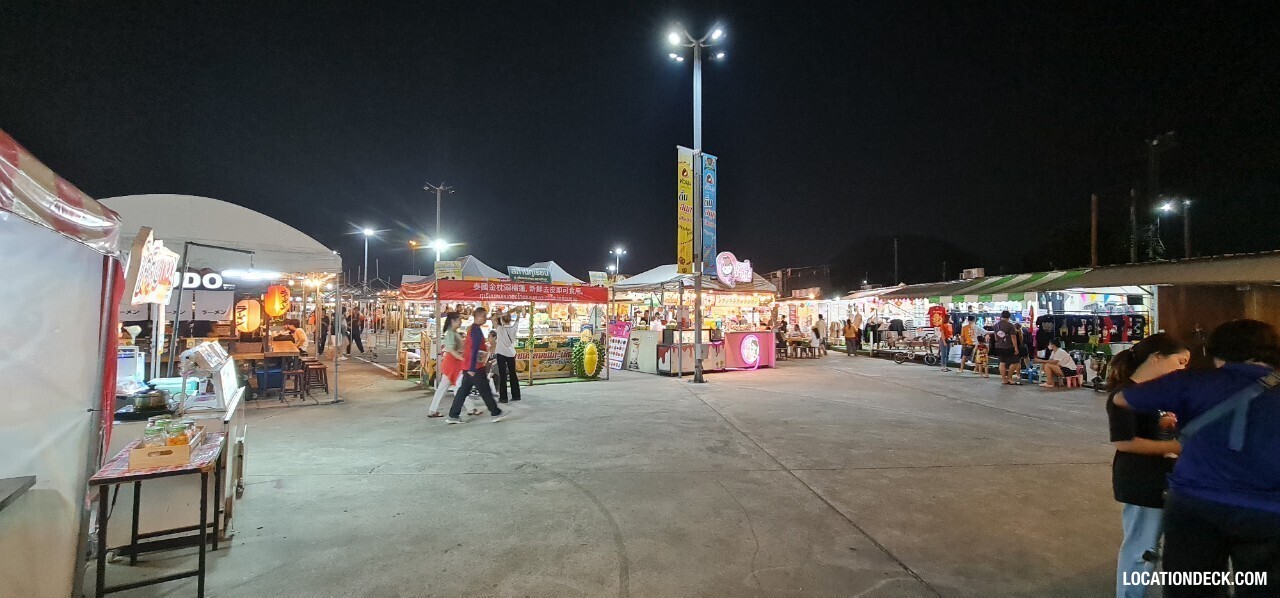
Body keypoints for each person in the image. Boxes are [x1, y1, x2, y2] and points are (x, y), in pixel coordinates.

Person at [1114, 320, 1280, 597]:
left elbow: (1122, 399)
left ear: (1217, 351)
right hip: (1267, 511)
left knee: (1194, 587)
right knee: (1262, 587)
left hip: (1194, 507)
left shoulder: (1193, 381)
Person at [1105, 333, 1189, 598]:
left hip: (1161, 479)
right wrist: (1176, 447)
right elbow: (1124, 442)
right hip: (1142, 481)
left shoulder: (1151, 392)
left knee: (1151, 545)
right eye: (1180, 362)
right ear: (1157, 358)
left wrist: (1162, 424)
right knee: (1142, 547)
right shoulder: (1126, 394)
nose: (1182, 369)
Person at [446, 307, 509, 424]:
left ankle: (453, 415)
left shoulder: (473, 329)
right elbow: (474, 349)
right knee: (485, 391)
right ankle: (495, 412)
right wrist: (473, 368)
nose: (486, 319)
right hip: (474, 367)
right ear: (478, 316)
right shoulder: (475, 330)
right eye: (484, 316)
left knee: (463, 391)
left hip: (469, 366)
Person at [428, 312, 463, 418]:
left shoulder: (453, 333)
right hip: (453, 363)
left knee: (450, 387)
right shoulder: (451, 333)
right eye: (459, 319)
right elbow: (451, 349)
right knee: (459, 386)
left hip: (453, 363)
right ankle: (471, 409)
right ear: (453, 321)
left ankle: (432, 410)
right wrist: (461, 357)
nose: (461, 322)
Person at [493, 307, 522, 403]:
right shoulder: (514, 328)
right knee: (513, 374)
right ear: (510, 320)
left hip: (501, 353)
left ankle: (503, 397)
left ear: (501, 320)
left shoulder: (499, 329)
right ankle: (516, 395)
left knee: (502, 375)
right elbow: (518, 319)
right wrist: (517, 314)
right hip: (511, 353)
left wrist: (501, 314)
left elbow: (493, 318)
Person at [992, 311, 1020, 385]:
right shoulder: (1010, 325)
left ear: (1001, 316)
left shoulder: (996, 325)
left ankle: (1004, 379)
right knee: (1016, 361)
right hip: (1008, 346)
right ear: (1009, 317)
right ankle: (1009, 377)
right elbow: (1013, 337)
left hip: (998, 346)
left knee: (1002, 362)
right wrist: (1016, 348)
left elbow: (995, 338)